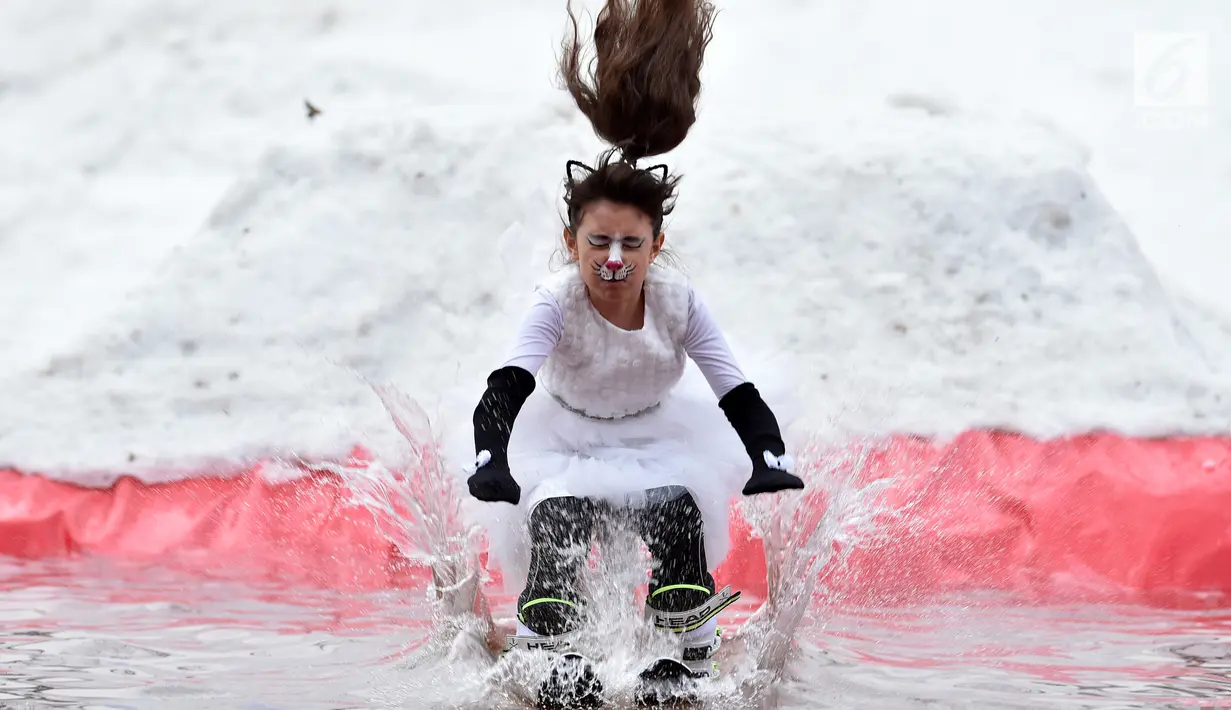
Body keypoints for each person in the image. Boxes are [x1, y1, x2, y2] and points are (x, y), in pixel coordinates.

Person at [463, 0, 804, 676]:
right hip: (566, 439)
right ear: (570, 243)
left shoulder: (678, 303)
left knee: (678, 517)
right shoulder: (554, 303)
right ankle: (553, 648)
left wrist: (764, 455)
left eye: (630, 243)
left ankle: (682, 651)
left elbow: (733, 388)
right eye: (596, 242)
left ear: (656, 244)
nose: (612, 259)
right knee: (558, 520)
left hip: (657, 436)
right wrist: (490, 457)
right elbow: (507, 383)